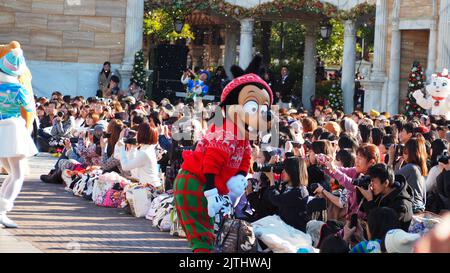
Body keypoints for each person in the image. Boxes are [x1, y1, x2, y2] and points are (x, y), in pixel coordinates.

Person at [0, 48, 38, 228]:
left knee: (12, 173)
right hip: (12, 129)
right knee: (18, 174)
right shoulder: (18, 88)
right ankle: (2, 211)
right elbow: (30, 108)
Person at [359, 164, 413, 231]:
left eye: (373, 181)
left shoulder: (401, 205)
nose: (371, 184)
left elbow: (381, 229)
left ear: (386, 183)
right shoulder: (382, 192)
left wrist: (370, 200)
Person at [265, 157, 310, 232]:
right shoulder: (287, 186)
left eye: (286, 169)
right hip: (284, 227)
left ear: (293, 171)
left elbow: (276, 199)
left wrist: (272, 180)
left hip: (293, 232)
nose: (283, 172)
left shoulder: (300, 192)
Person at [115, 122, 162, 188]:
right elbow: (132, 166)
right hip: (149, 187)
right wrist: (133, 148)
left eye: (138, 133)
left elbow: (125, 167)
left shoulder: (145, 153)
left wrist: (122, 148)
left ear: (142, 135)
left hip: (151, 189)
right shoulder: (147, 148)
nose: (136, 135)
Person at [395, 137, 428, 213]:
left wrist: (390, 158)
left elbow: (390, 180)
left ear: (411, 152)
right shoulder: (419, 168)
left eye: (405, 151)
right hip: (419, 207)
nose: (403, 153)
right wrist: (398, 165)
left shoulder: (411, 167)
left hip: (412, 208)